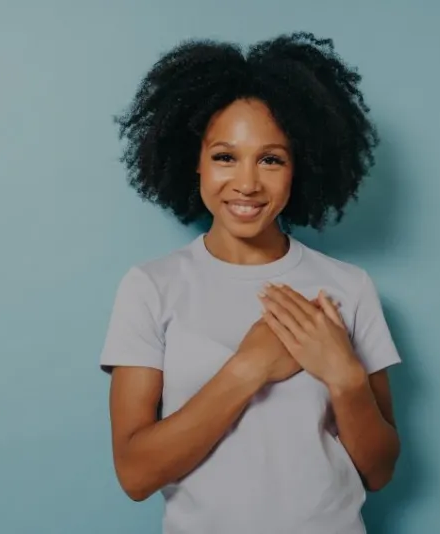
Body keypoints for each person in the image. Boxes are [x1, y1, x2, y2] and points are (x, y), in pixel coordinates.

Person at [99, 32, 402, 534]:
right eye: (224, 156)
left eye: (271, 159)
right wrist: (248, 368)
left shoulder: (349, 286)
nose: (247, 183)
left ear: (299, 167)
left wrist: (344, 376)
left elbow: (380, 470)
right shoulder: (151, 286)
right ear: (192, 159)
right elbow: (135, 474)